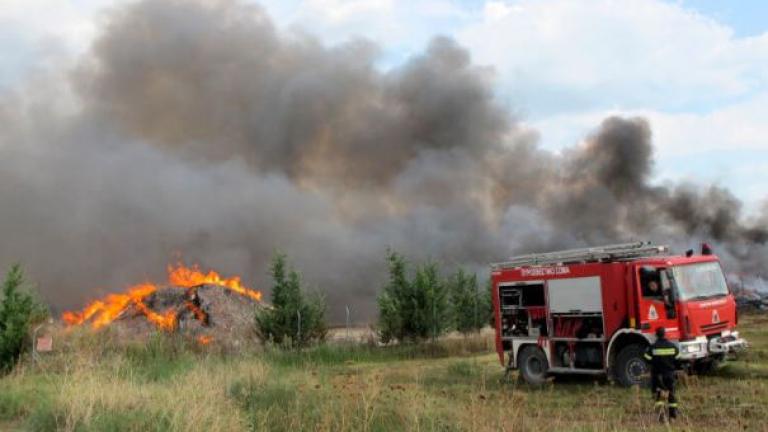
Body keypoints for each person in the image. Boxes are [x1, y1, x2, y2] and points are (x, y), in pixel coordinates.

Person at [644, 327, 680, 421]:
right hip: (670, 374)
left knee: (659, 395)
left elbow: (646, 358)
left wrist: (654, 362)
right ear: (665, 334)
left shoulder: (653, 347)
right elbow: (678, 358)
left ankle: (661, 416)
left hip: (658, 375)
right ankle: (673, 416)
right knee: (671, 394)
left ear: (656, 335)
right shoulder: (672, 346)